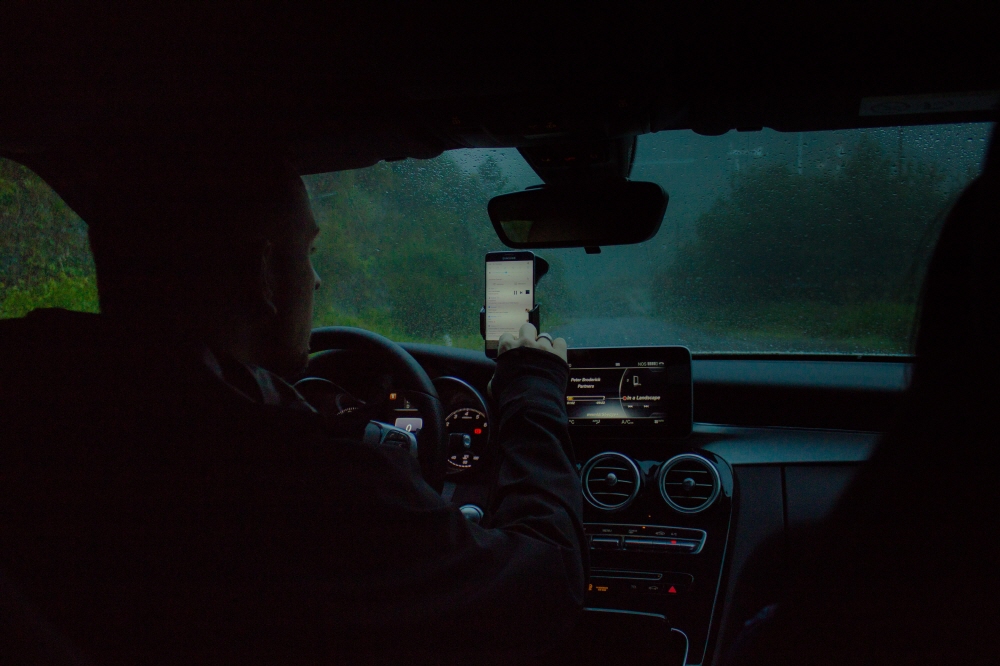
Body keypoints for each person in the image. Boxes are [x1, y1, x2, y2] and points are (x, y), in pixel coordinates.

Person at [0, 151, 585, 663]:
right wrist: (533, 391)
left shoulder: (39, 406)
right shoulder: (309, 481)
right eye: (308, 252)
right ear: (262, 275)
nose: (318, 280)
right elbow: (546, 586)